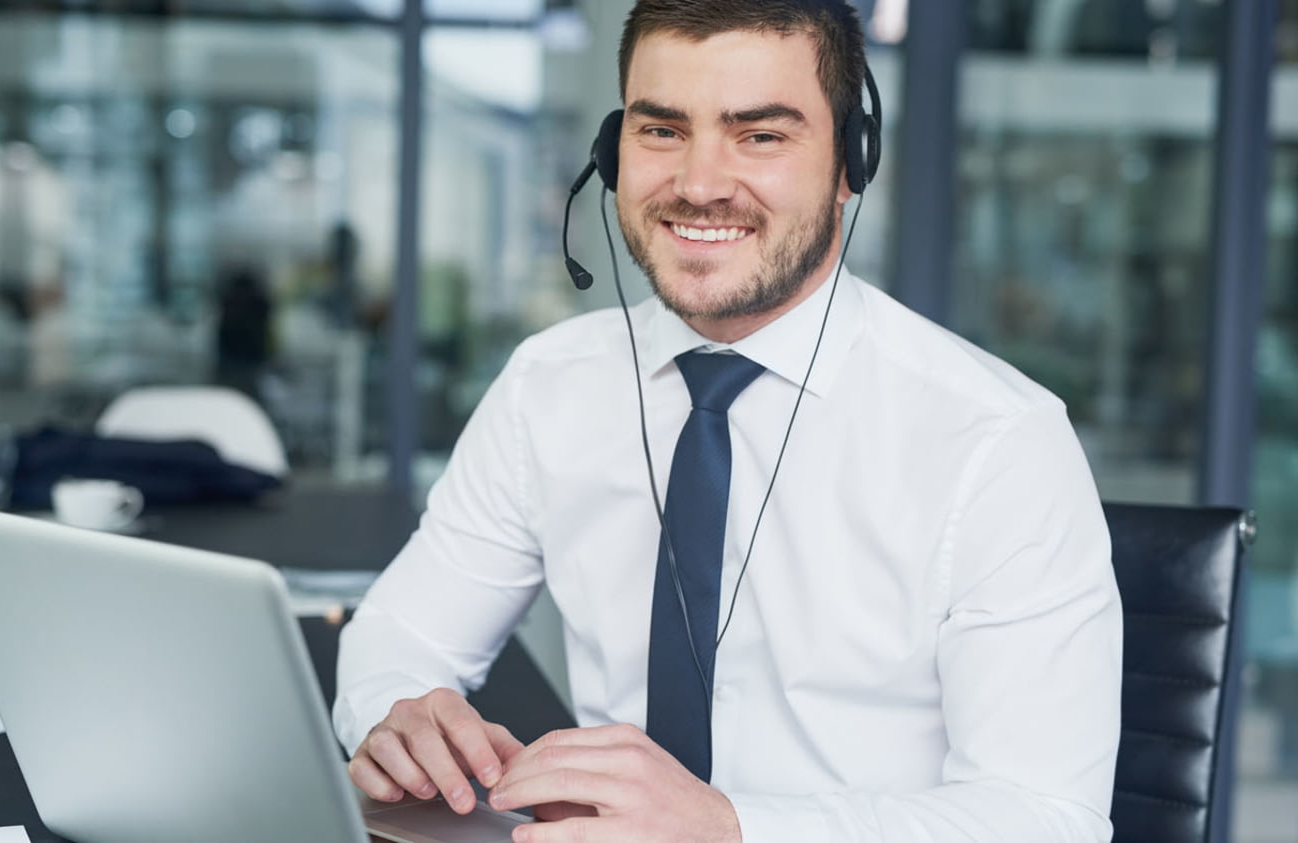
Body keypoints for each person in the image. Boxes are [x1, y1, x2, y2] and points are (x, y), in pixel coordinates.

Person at [333, 1, 1123, 841]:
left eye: (761, 135)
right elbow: (398, 633)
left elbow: (1046, 817)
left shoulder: (997, 443)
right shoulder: (549, 385)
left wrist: (732, 826)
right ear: (611, 152)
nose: (700, 183)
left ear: (852, 161)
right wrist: (402, 716)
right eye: (663, 131)